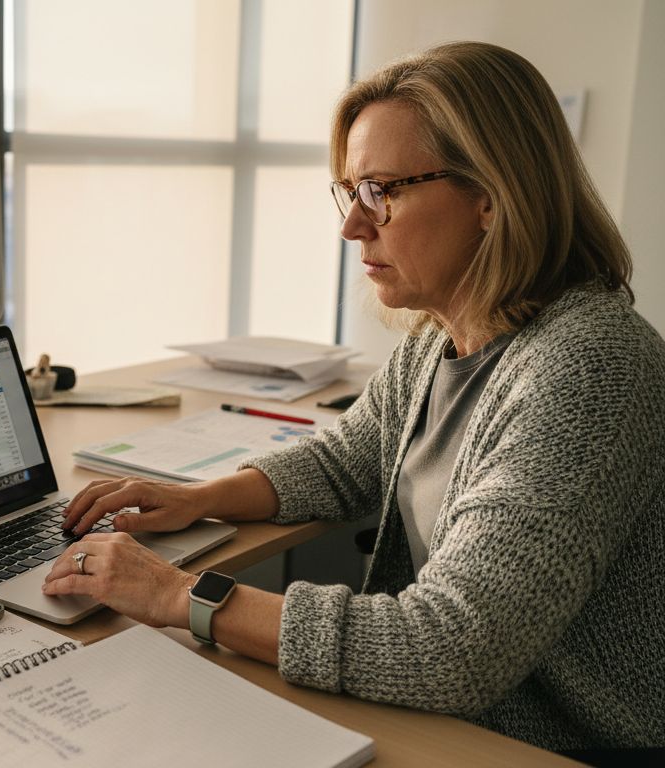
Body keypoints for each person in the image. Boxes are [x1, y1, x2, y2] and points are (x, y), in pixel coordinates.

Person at [43, 41, 665, 754]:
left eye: (383, 191)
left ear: (490, 195)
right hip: (465, 715)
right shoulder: (443, 335)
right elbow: (349, 459)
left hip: (549, 741)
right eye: (351, 192)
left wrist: (177, 596)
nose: (351, 226)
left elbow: (448, 649)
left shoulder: (590, 368)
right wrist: (199, 498)